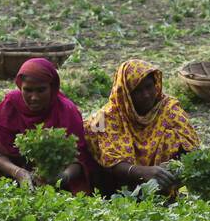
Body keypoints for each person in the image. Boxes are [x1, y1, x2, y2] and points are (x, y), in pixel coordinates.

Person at [0, 58, 95, 194]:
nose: (34, 97)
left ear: (52, 88)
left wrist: (62, 177)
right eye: (28, 90)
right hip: (14, 171)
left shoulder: (66, 111)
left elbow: (79, 159)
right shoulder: (12, 103)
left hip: (52, 176)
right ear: (20, 87)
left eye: (41, 90)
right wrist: (18, 172)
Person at [84, 59, 200, 196]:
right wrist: (142, 172)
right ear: (126, 93)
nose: (146, 95)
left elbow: (191, 149)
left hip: (164, 183)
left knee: (172, 136)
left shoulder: (169, 109)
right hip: (120, 187)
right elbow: (110, 160)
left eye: (149, 87)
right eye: (137, 90)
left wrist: (171, 169)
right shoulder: (107, 117)